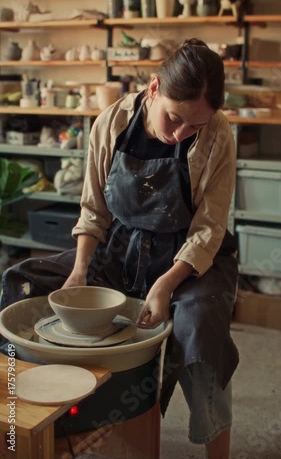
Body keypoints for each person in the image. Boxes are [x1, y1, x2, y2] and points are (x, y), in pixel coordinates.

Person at [1, 38, 239, 459]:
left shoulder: (219, 136)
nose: (180, 134)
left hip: (190, 257)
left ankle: (216, 452)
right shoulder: (110, 122)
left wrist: (165, 284)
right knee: (22, 282)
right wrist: (79, 270)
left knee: (201, 333)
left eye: (194, 128)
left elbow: (208, 229)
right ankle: (30, 428)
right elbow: (93, 210)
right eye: (174, 118)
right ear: (153, 88)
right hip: (121, 248)